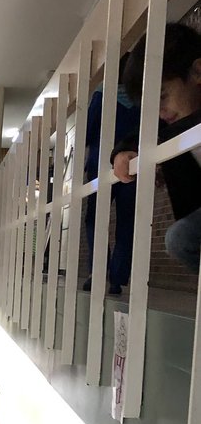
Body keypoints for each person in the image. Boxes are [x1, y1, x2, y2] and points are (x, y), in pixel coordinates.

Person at [114, 22, 201, 272]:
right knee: (179, 239)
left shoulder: (176, 127)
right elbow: (138, 134)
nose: (160, 112)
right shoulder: (168, 124)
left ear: (197, 72)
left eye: (162, 96)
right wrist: (122, 153)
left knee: (180, 239)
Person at [81, 57, 140, 295]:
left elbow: (88, 132)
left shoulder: (102, 93)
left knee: (96, 219)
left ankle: (97, 272)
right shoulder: (143, 96)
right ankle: (117, 279)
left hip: (100, 165)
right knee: (127, 220)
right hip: (134, 164)